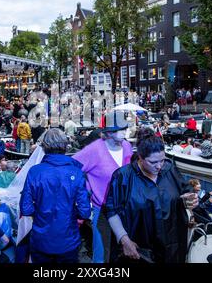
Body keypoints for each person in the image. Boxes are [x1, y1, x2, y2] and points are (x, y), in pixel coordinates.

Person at [105, 131, 197, 263]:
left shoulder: (169, 168)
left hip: (172, 246)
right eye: (153, 162)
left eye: (162, 160)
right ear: (140, 158)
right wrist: (124, 240)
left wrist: (190, 199)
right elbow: (111, 210)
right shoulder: (123, 177)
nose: (159, 166)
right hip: (139, 250)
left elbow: (185, 191)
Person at [20, 128, 91, 263]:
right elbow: (85, 212)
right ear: (65, 146)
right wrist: (69, 212)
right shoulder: (76, 172)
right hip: (68, 239)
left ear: (44, 147)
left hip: (41, 239)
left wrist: (41, 212)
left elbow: (26, 209)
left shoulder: (35, 172)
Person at [73, 111, 133, 263]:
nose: (125, 132)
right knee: (101, 254)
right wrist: (87, 188)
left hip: (124, 207)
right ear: (109, 132)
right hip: (102, 210)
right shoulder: (94, 150)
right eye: (121, 129)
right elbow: (73, 168)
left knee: (123, 252)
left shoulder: (127, 146)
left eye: (125, 128)